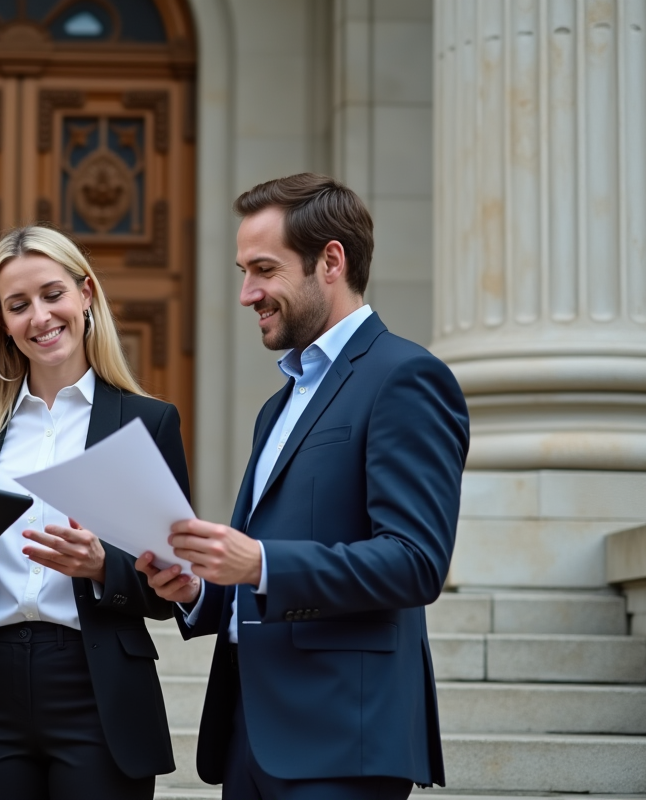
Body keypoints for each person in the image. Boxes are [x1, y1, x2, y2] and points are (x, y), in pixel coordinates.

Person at [137, 173, 469, 800]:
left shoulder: (406, 377)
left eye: (264, 270)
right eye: (244, 272)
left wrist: (260, 562)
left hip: (343, 739)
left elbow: (416, 562)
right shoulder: (278, 405)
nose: (247, 294)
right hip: (249, 739)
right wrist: (199, 589)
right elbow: (264, 569)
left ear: (331, 262)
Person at [0, 225, 189, 800]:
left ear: (85, 293)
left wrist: (103, 566)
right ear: (2, 322)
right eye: (18, 305)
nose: (39, 317)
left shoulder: (147, 422)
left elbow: (171, 587)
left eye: (52, 294)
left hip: (97, 686)